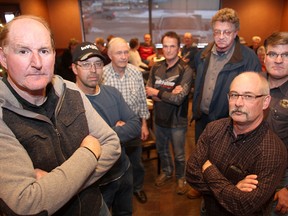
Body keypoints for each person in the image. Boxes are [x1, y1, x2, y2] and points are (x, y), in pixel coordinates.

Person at [0, 15, 121, 215]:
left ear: (54, 55)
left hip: (96, 208)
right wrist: (89, 152)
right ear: (4, 58)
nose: (37, 62)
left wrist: (56, 188)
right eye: (23, 51)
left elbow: (112, 145)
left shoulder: (70, 90)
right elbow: (25, 203)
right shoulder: (3, 114)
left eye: (44, 51)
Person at [186, 71, 287, 215]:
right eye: (234, 95)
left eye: (248, 96)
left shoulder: (273, 151)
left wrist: (209, 170)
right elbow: (190, 173)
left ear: (265, 102)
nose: (238, 103)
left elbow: (243, 206)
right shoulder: (213, 129)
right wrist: (233, 189)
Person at [190, 7, 262, 199]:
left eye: (227, 32)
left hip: (227, 122)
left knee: (222, 163)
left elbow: (254, 93)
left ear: (236, 33)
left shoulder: (248, 59)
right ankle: (202, 186)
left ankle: (222, 194)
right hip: (202, 118)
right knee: (202, 155)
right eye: (217, 32)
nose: (221, 37)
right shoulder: (203, 54)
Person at [72, 42, 141, 215]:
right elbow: (77, 144)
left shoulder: (112, 92)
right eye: (86, 64)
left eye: (98, 64)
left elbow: (134, 125)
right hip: (97, 182)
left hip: (124, 170)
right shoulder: (70, 102)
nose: (93, 69)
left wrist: (100, 138)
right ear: (74, 68)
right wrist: (116, 129)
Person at [103, 37, 150, 204]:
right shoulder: (102, 75)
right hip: (112, 130)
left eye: (125, 52)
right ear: (109, 55)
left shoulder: (136, 72)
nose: (123, 56)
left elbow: (142, 101)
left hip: (134, 127)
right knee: (114, 165)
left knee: (136, 163)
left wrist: (144, 124)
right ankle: (120, 195)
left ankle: (137, 188)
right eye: (119, 53)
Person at [146, 31, 193, 195]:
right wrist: (170, 93)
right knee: (162, 150)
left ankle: (181, 177)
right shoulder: (156, 67)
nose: (168, 50)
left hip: (177, 121)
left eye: (172, 46)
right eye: (165, 46)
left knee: (179, 154)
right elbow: (148, 91)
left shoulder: (185, 70)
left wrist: (158, 93)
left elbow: (178, 99)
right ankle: (167, 171)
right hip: (159, 119)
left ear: (178, 48)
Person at [263, 32, 288, 215]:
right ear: (264, 57)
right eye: (273, 54)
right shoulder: (251, 84)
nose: (278, 60)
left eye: (286, 55)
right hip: (245, 176)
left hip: (281, 181)